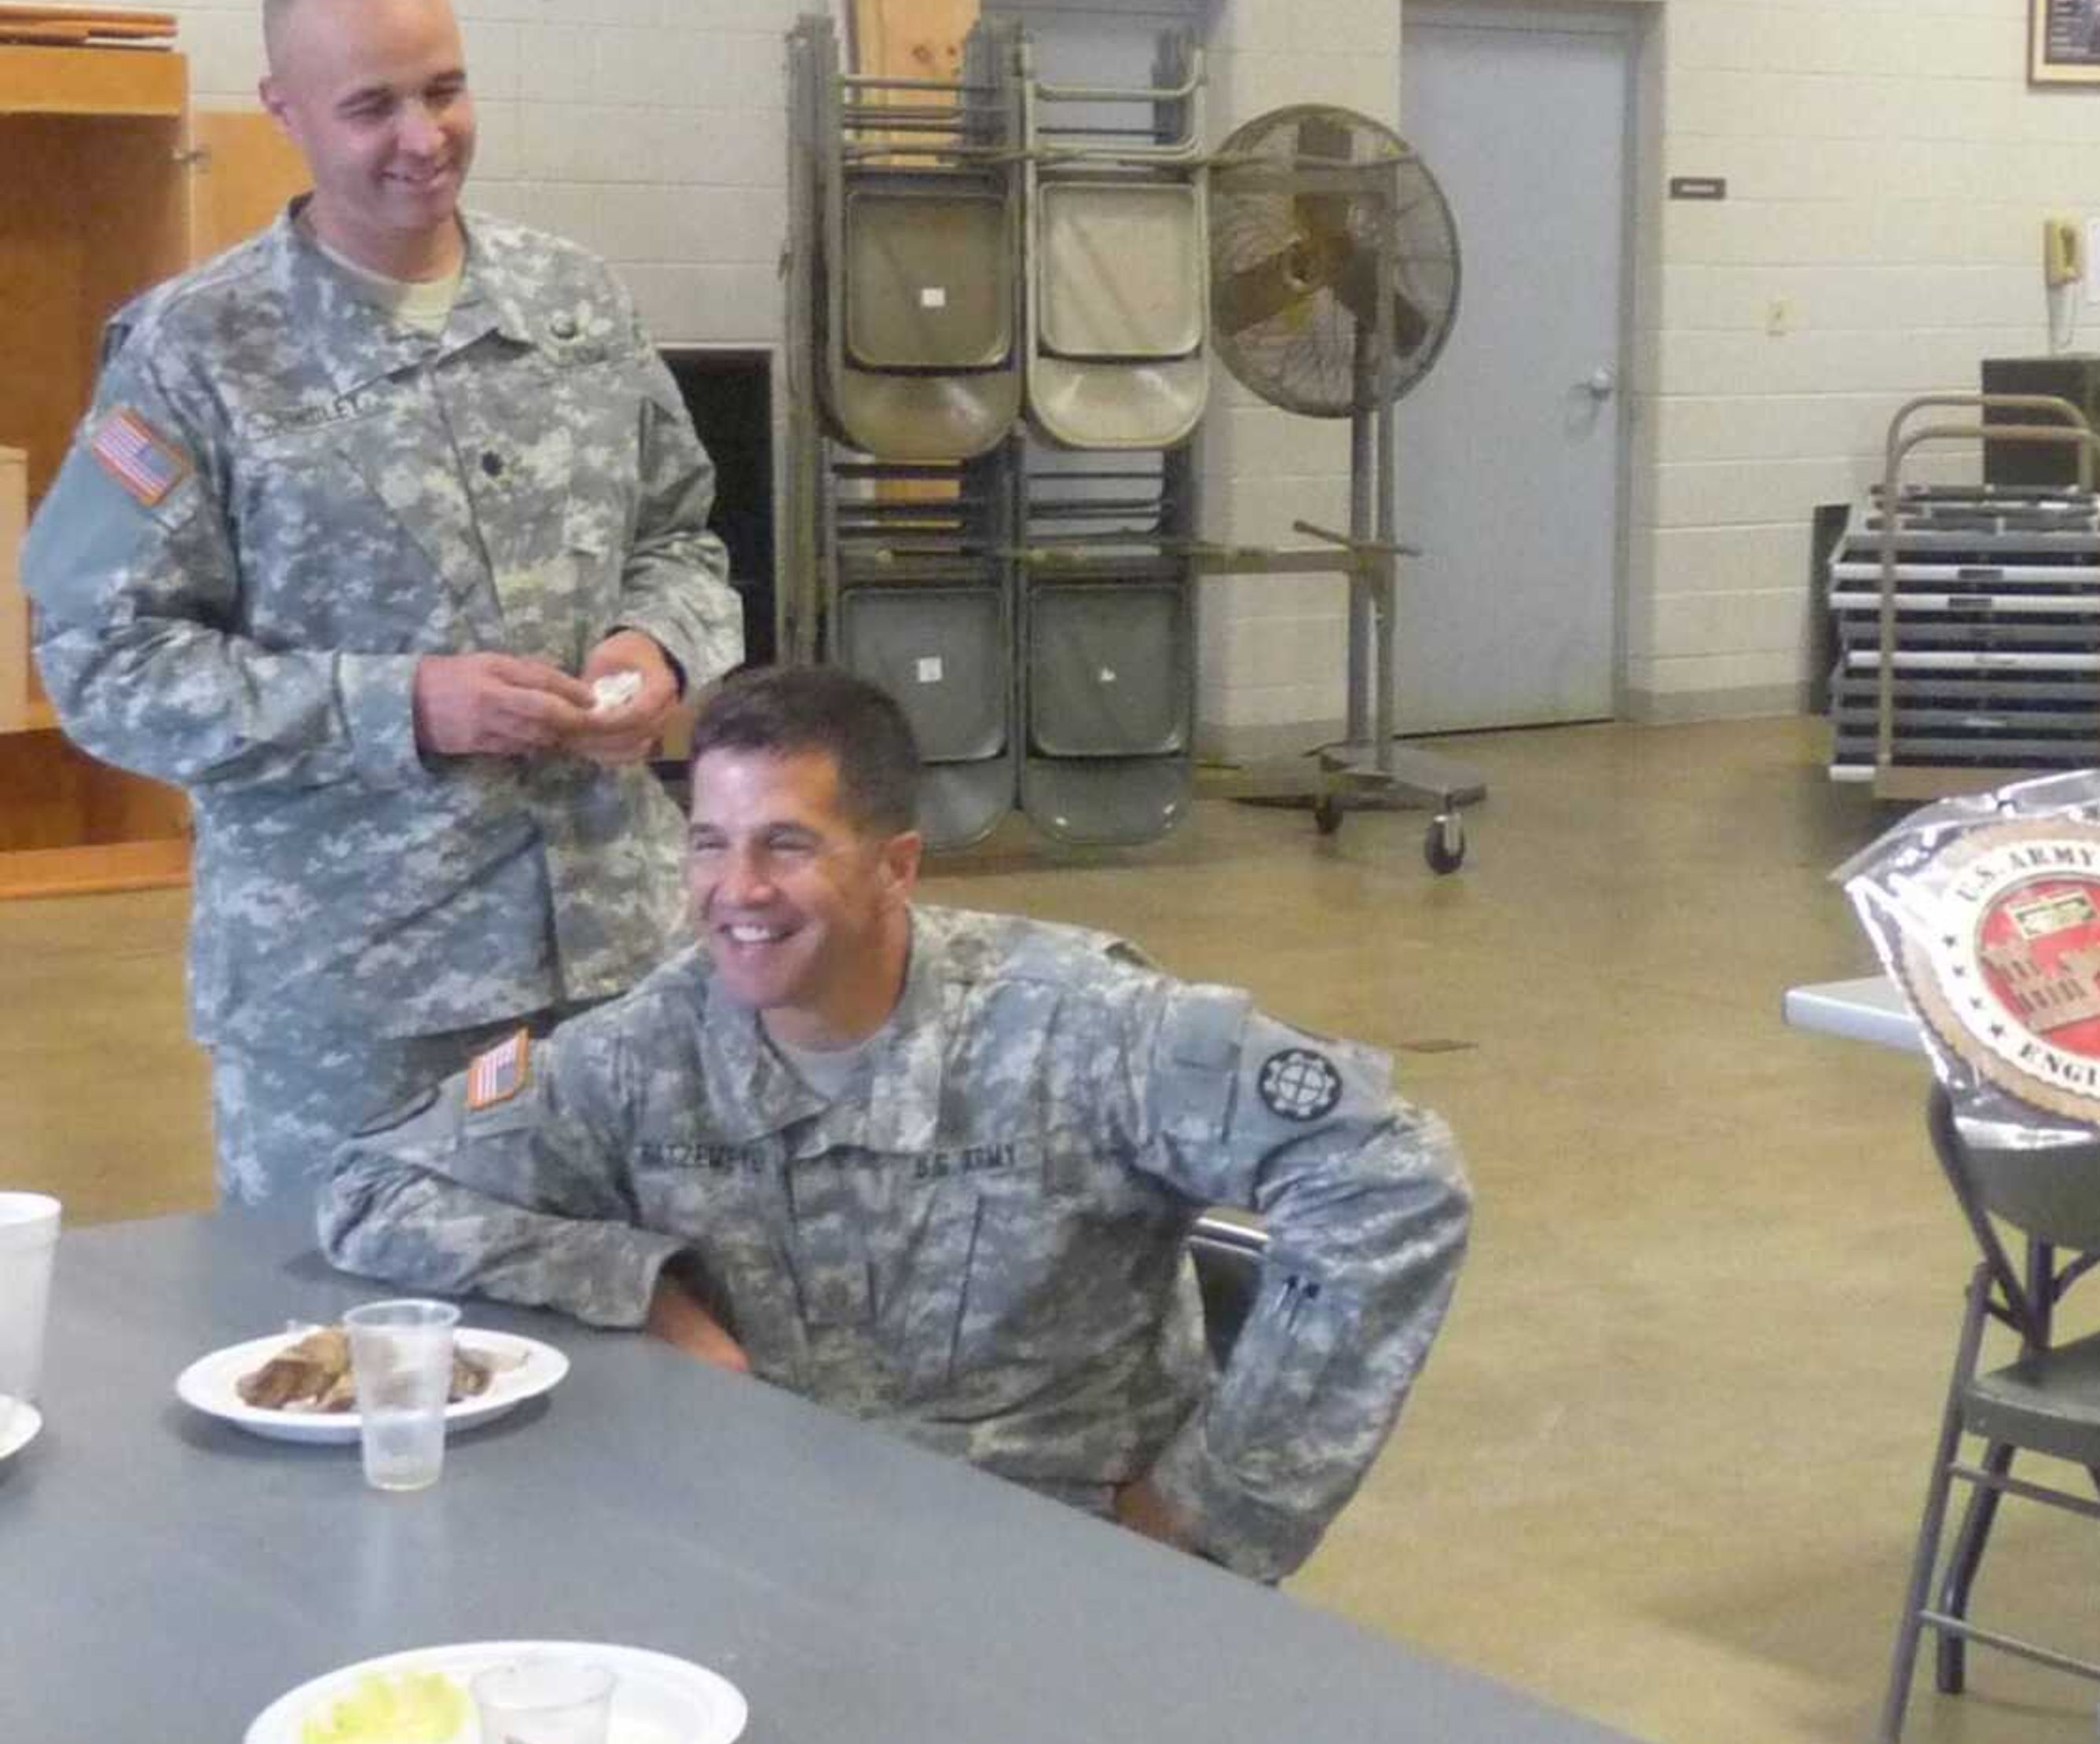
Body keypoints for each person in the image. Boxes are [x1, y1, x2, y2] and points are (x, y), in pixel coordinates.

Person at [321, 666, 1473, 1581]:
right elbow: (374, 1188)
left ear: (896, 867)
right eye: (709, 842)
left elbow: (1391, 1174)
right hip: (764, 1553)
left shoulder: (1083, 1025)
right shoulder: (650, 1043)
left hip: (1050, 1560)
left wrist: (1209, 1509)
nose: (736, 892)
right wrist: (639, 1287)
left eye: (787, 843)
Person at [19, 0, 742, 1208]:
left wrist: (658, 648)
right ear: (285, 111)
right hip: (356, 1004)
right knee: (352, 1359)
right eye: (371, 107)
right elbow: (97, 660)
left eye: (444, 89)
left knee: (656, 1337)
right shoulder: (191, 354)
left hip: (623, 961)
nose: (423, 137)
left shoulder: (578, 307)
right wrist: (401, 705)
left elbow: (683, 534)